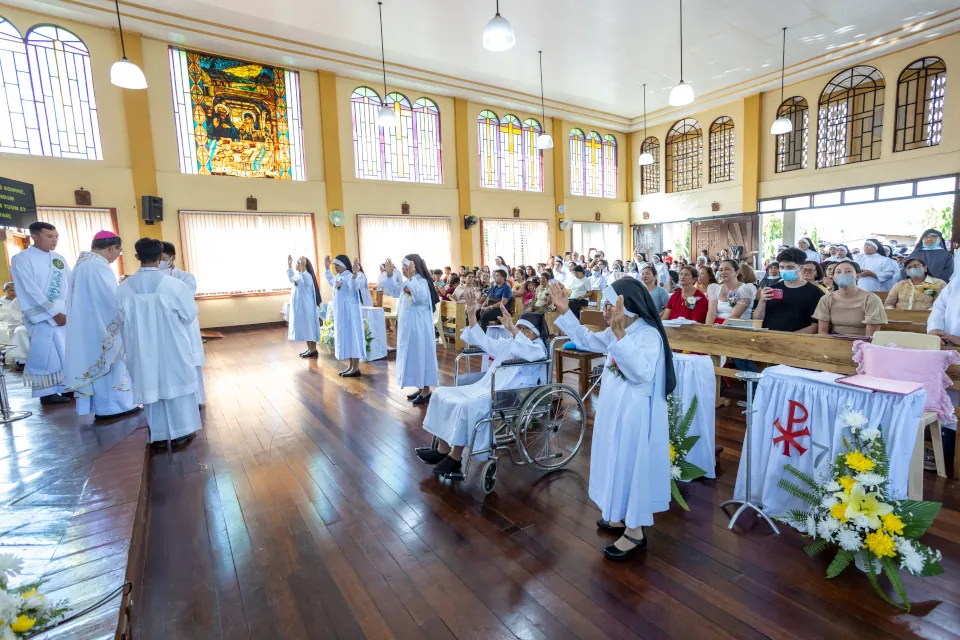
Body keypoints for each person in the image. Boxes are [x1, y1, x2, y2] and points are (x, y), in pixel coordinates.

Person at [551, 279, 674, 560]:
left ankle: (635, 531)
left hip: (634, 414)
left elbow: (641, 374)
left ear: (628, 306)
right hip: (613, 409)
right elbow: (586, 341)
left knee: (631, 465)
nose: (607, 309)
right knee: (614, 461)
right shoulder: (623, 328)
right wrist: (564, 310)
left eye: (611, 303)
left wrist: (619, 336)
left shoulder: (648, 335)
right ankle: (618, 514)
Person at [415, 293, 548, 477]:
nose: (522, 332)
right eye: (520, 328)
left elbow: (531, 352)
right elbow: (484, 341)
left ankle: (456, 457)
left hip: (508, 394)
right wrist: (471, 315)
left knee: (467, 405)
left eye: (527, 330)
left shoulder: (538, 347)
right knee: (440, 394)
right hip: (486, 386)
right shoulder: (511, 343)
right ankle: (442, 449)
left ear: (537, 333)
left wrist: (514, 330)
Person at [117, 238, 202, 447]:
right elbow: (189, 314)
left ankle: (160, 434)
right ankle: (182, 430)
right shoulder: (174, 286)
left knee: (150, 383)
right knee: (175, 381)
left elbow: (119, 318)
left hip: (141, 347)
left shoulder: (124, 288)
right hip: (171, 343)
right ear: (160, 257)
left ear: (137, 257)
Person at [63, 231, 140, 419]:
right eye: (119, 251)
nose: (117, 256)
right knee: (111, 362)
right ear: (111, 247)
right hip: (102, 326)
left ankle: (105, 406)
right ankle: (116, 406)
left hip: (88, 326)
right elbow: (112, 300)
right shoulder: (98, 267)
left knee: (98, 363)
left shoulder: (82, 265)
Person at [10, 221, 72, 405]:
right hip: (42, 314)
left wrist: (68, 310)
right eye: (49, 236)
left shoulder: (58, 259)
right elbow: (30, 289)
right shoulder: (22, 259)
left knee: (64, 351)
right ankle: (46, 391)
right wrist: (53, 312)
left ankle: (65, 386)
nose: (54, 240)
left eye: (56, 237)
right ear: (35, 237)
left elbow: (68, 284)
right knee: (47, 353)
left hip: (63, 314)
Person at [382, 255, 440, 405]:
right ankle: (420, 387)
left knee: (421, 355)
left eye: (404, 267)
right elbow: (395, 291)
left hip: (419, 326)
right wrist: (389, 274)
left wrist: (412, 277)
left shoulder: (422, 282)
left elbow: (421, 298)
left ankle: (426, 390)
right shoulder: (409, 282)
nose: (402, 269)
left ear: (413, 267)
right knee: (414, 356)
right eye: (401, 267)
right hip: (409, 327)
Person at [159, 242, 206, 403]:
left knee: (189, 362)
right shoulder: (151, 279)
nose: (159, 261)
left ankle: (196, 399)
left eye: (162, 257)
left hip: (184, 327)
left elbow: (184, 300)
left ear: (172, 257)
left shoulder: (186, 277)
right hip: (163, 329)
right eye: (157, 258)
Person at [928, 278, 960, 469]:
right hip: (950, 349)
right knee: (951, 403)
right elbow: (939, 307)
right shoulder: (957, 282)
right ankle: (947, 456)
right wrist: (935, 330)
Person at [753, 248, 824, 333]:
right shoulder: (772, 289)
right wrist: (762, 301)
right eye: (782, 267)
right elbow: (757, 318)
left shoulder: (815, 293)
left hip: (798, 341)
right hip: (770, 337)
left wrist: (790, 337)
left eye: (790, 267)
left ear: (801, 268)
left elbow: (816, 325)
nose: (785, 270)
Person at [813, 260, 888, 337]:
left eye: (848, 271)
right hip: (834, 341)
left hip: (861, 343)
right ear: (833, 277)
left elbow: (870, 336)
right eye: (838, 272)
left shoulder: (871, 299)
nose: (842, 275)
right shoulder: (826, 299)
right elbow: (822, 331)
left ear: (857, 276)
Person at [324, 255, 365, 377]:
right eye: (334, 265)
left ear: (343, 265)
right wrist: (327, 268)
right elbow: (332, 281)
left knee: (353, 338)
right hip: (342, 314)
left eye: (336, 265)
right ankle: (351, 366)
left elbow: (354, 287)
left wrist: (354, 274)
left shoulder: (350, 276)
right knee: (347, 339)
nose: (335, 267)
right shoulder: (339, 276)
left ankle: (356, 367)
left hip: (350, 313)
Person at [286, 254, 321, 357]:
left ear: (303, 265)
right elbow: (291, 278)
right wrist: (289, 265)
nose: (297, 265)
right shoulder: (298, 275)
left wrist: (303, 267)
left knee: (310, 328)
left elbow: (306, 281)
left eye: (298, 263)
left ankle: (313, 349)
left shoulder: (307, 276)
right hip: (302, 308)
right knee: (306, 329)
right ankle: (309, 349)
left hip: (307, 308)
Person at [705, 259, 757, 324]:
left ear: (737, 272)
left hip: (738, 327)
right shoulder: (714, 288)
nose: (723, 272)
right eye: (721, 270)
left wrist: (719, 331)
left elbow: (734, 316)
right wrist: (708, 329)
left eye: (727, 269)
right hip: (718, 325)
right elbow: (711, 312)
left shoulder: (746, 289)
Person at [0, 283, 26, 367]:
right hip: (4, 322)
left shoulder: (20, 300)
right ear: (4, 291)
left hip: (17, 322)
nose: (14, 292)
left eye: (15, 290)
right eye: (11, 290)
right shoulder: (1, 302)